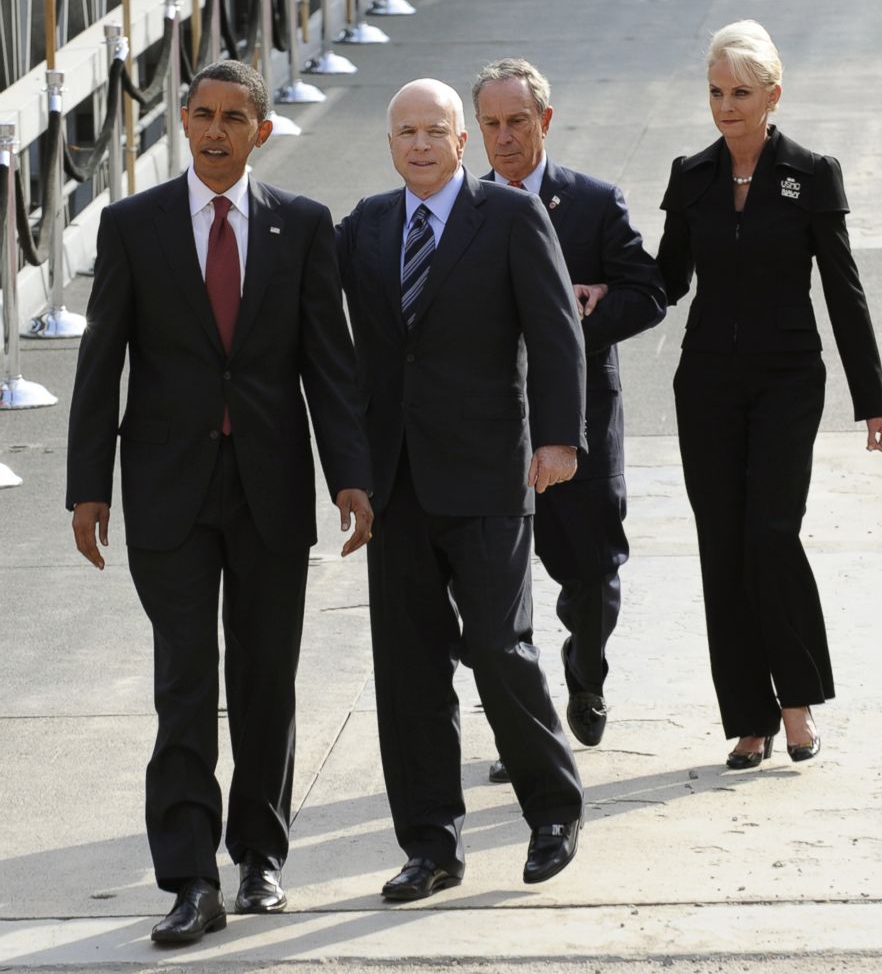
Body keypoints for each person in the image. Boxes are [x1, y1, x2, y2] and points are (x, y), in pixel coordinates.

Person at [66, 60, 373, 944]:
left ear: (260, 131)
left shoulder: (303, 227)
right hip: (168, 493)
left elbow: (330, 363)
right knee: (184, 685)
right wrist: (88, 485)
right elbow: (101, 365)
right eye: (199, 113)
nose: (213, 131)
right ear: (182, 119)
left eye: (233, 117)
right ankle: (191, 879)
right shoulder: (134, 225)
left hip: (271, 489)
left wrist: (348, 473)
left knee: (266, 681)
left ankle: (260, 860)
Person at [337, 78, 585, 900]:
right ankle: (431, 845)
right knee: (407, 670)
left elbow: (554, 332)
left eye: (434, 130)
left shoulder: (510, 216)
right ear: (390, 142)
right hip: (396, 484)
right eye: (404, 130)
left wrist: (557, 439)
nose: (418, 144)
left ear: (461, 142)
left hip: (486, 474)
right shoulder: (367, 225)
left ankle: (551, 810)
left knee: (497, 648)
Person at [656, 20, 882, 769]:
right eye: (716, 92)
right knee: (720, 544)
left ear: (772, 95)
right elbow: (665, 281)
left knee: (768, 533)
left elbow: (843, 290)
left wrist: (872, 398)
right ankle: (748, 719)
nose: (725, 107)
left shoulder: (810, 172)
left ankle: (796, 702)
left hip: (789, 381)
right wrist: (591, 287)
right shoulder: (689, 175)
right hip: (706, 386)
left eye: (741, 93)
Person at [471, 59, 666, 784]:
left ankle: (585, 673)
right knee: (496, 594)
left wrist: (590, 306)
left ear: (544, 121)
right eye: (490, 125)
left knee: (592, 577)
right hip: (495, 431)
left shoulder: (590, 203)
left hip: (581, 421)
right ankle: (523, 735)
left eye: (516, 121)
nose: (504, 138)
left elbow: (649, 294)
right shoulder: (464, 206)